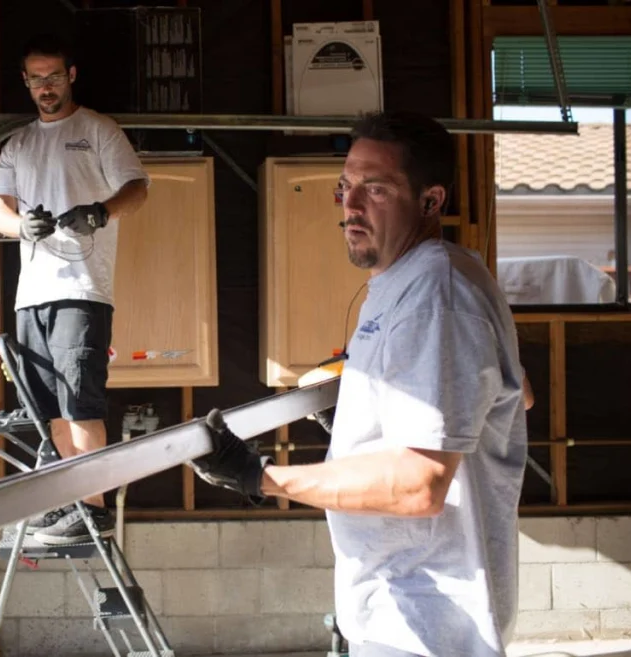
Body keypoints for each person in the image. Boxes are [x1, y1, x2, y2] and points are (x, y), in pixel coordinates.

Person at [191, 110, 529, 657]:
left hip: (425, 618)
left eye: (376, 188)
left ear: (430, 200)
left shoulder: (434, 296)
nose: (350, 206)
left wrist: (260, 477)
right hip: (407, 608)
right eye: (346, 186)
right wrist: (370, 414)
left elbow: (420, 485)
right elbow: (517, 394)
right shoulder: (436, 275)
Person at [0, 33, 150, 546]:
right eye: (37, 79)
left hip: (82, 289)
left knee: (81, 402)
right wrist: (20, 228)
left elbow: (137, 187)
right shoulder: (18, 144)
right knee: (50, 409)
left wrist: (100, 212)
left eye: (54, 77)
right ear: (26, 82)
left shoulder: (98, 130)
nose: (46, 88)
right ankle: (69, 506)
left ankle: (95, 509)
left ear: (71, 75)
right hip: (30, 297)